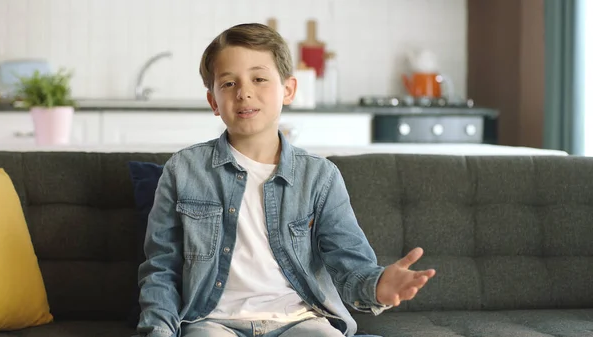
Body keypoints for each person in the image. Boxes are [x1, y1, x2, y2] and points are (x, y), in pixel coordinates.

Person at [136, 22, 436, 337]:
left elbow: (350, 267)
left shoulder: (320, 177)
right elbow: (161, 270)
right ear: (213, 100)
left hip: (302, 321)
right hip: (212, 323)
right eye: (227, 83)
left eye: (259, 78)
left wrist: (377, 286)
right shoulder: (182, 170)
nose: (244, 92)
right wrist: (159, 331)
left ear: (289, 90)